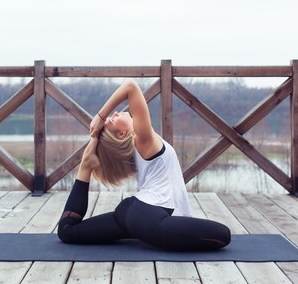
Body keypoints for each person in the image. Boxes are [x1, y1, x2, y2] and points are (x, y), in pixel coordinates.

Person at [57, 79, 231, 251]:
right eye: (112, 120)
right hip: (149, 215)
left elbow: (130, 90)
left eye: (111, 116)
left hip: (134, 214)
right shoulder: (143, 141)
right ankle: (86, 165)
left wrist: (100, 128)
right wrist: (101, 117)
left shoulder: (137, 147)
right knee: (223, 235)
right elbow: (131, 87)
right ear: (122, 133)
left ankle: (85, 167)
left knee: (68, 232)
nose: (116, 113)